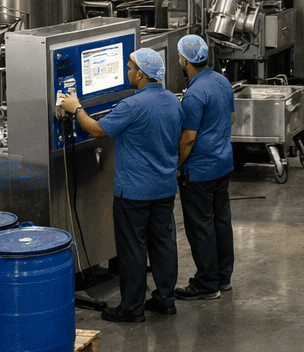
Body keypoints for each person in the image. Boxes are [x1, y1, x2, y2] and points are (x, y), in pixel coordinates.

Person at [60, 48, 182, 323]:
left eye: (129, 67)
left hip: (134, 192)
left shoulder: (132, 106)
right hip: (164, 187)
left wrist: (75, 108)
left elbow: (96, 129)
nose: (127, 71)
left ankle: (132, 308)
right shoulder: (172, 101)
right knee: (163, 244)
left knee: (133, 249)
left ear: (140, 74)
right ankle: (165, 299)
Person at [173, 35, 235, 302]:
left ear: (184, 60)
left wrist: (176, 165)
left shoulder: (194, 94)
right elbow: (231, 117)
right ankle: (223, 277)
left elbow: (187, 138)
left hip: (199, 171)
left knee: (201, 226)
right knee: (221, 221)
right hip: (223, 164)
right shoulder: (222, 81)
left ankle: (207, 284)